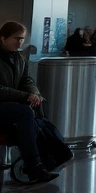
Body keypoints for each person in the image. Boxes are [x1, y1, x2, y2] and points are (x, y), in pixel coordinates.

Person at [0, 21, 60, 183]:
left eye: (22, 39)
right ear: (3, 38)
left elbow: (26, 79)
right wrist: (25, 96)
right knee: (25, 112)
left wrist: (34, 93)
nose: (20, 42)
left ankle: (42, 161)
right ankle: (34, 165)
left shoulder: (18, 57)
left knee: (38, 107)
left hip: (10, 102)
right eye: (16, 38)